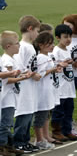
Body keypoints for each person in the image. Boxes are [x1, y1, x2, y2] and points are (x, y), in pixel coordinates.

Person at [0, 31, 32, 156]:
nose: (19, 45)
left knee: (8, 123)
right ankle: (2, 146)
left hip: (12, 96)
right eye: (17, 43)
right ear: (8, 46)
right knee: (6, 123)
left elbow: (14, 75)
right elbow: (7, 79)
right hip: (6, 98)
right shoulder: (7, 61)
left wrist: (23, 75)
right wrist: (21, 78)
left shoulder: (11, 59)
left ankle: (9, 145)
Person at [13, 15, 41, 153]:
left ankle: (25, 140)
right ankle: (18, 142)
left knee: (29, 114)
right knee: (23, 114)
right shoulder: (23, 47)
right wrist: (29, 73)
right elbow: (18, 65)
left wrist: (35, 74)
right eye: (37, 30)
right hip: (24, 87)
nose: (38, 34)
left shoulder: (30, 47)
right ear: (30, 29)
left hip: (31, 87)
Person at [51, 24, 77, 142]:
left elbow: (69, 65)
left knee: (69, 110)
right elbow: (54, 66)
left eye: (70, 37)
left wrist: (75, 62)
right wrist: (61, 63)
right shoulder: (56, 51)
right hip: (61, 87)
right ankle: (57, 131)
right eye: (65, 37)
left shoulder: (68, 50)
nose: (68, 39)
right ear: (58, 38)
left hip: (69, 86)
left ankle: (67, 130)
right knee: (59, 111)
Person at [33, 32, 59, 150]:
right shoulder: (41, 57)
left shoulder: (47, 57)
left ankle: (43, 137)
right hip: (42, 91)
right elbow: (40, 74)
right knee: (40, 116)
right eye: (49, 44)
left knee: (45, 115)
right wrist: (52, 70)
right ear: (41, 45)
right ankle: (39, 139)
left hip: (47, 89)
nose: (52, 46)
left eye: (52, 43)